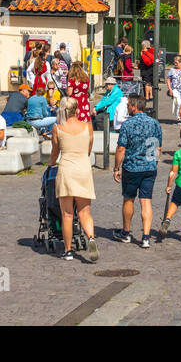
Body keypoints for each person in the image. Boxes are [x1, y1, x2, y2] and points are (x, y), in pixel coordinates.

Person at [49, 96, 100, 262]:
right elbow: (88, 149)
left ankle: (68, 250)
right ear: (77, 109)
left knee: (67, 214)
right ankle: (91, 237)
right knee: (85, 212)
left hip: (66, 169)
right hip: (83, 169)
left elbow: (55, 152)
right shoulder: (87, 127)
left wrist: (50, 165)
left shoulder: (58, 128)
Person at [114, 94, 163, 248]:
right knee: (146, 201)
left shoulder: (128, 125)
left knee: (129, 199)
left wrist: (116, 168)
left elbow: (121, 148)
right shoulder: (154, 123)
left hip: (132, 167)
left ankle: (126, 233)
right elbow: (158, 147)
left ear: (134, 106)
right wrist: (153, 162)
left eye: (128, 105)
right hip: (149, 166)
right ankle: (146, 237)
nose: (127, 107)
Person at [138, 40, 156, 104]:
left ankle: (147, 97)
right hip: (151, 69)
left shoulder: (145, 52)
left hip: (146, 70)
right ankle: (151, 96)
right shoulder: (152, 50)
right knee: (150, 83)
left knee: (146, 84)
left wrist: (142, 54)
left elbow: (147, 62)